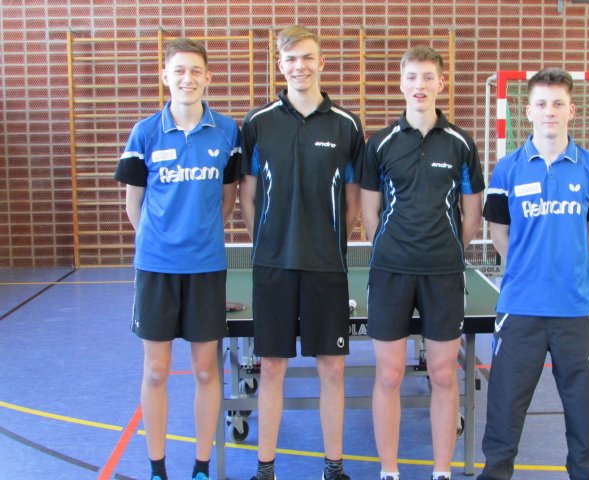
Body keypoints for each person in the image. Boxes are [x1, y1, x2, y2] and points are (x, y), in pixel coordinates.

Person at [478, 67, 589, 480]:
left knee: (584, 415)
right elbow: (499, 234)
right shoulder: (507, 170)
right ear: (528, 111)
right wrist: (529, 269)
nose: (549, 111)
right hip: (520, 308)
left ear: (571, 110)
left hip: (577, 310)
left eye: (558, 104)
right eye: (541, 103)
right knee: (504, 413)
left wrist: (566, 268)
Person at [238, 25, 364, 480]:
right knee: (272, 367)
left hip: (326, 267)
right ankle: (265, 469)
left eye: (308, 57)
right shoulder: (258, 122)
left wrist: (331, 240)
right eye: (291, 59)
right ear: (280, 64)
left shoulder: (346, 124)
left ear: (321, 62)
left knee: (332, 368)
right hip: (272, 265)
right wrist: (266, 240)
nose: (300, 66)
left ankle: (334, 467)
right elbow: (248, 195)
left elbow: (353, 198)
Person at [114, 37, 241, 480]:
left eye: (196, 71)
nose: (188, 78)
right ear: (165, 76)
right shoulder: (145, 132)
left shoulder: (227, 132)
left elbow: (228, 199)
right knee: (156, 371)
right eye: (179, 70)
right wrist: (160, 241)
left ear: (208, 77)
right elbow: (134, 204)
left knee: (206, 371)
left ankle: (201, 467)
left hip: (206, 268)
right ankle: (157, 469)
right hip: (156, 268)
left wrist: (199, 235)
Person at [360, 46, 485, 480]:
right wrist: (393, 248)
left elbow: (471, 214)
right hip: (390, 273)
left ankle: (442, 471)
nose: (420, 85)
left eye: (428, 77)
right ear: (401, 83)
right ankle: (389, 471)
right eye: (412, 77)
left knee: (443, 374)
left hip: (443, 274)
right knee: (389, 374)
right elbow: (369, 213)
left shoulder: (461, 144)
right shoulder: (380, 143)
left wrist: (445, 249)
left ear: (441, 83)